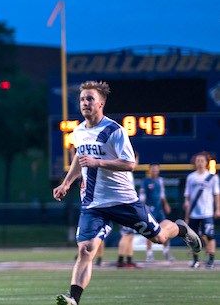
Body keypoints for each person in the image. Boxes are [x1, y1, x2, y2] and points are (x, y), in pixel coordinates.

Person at [53, 81, 202, 305]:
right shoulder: (79, 130)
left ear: (101, 103)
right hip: (93, 204)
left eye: (90, 99)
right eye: (82, 99)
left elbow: (129, 164)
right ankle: (74, 299)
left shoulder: (115, 130)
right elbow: (80, 158)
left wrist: (97, 162)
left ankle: (180, 228)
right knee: (86, 250)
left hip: (123, 201)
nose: (85, 103)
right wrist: (66, 183)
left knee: (159, 237)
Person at [183, 151, 219, 269]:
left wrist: (218, 209)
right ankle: (195, 260)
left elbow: (216, 194)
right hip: (194, 212)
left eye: (202, 161)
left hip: (207, 212)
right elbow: (187, 195)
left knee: (209, 235)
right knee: (192, 238)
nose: (200, 163)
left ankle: (211, 259)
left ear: (206, 163)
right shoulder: (191, 177)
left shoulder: (212, 177)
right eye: (198, 161)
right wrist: (186, 205)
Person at [140, 163, 173, 262]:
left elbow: (162, 195)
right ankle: (149, 254)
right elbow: (142, 195)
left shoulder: (160, 181)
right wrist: (144, 207)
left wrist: (166, 205)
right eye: (153, 169)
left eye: (156, 169)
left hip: (159, 209)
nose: (155, 171)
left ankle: (166, 251)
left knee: (166, 228)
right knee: (150, 231)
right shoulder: (145, 181)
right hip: (150, 209)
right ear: (150, 170)